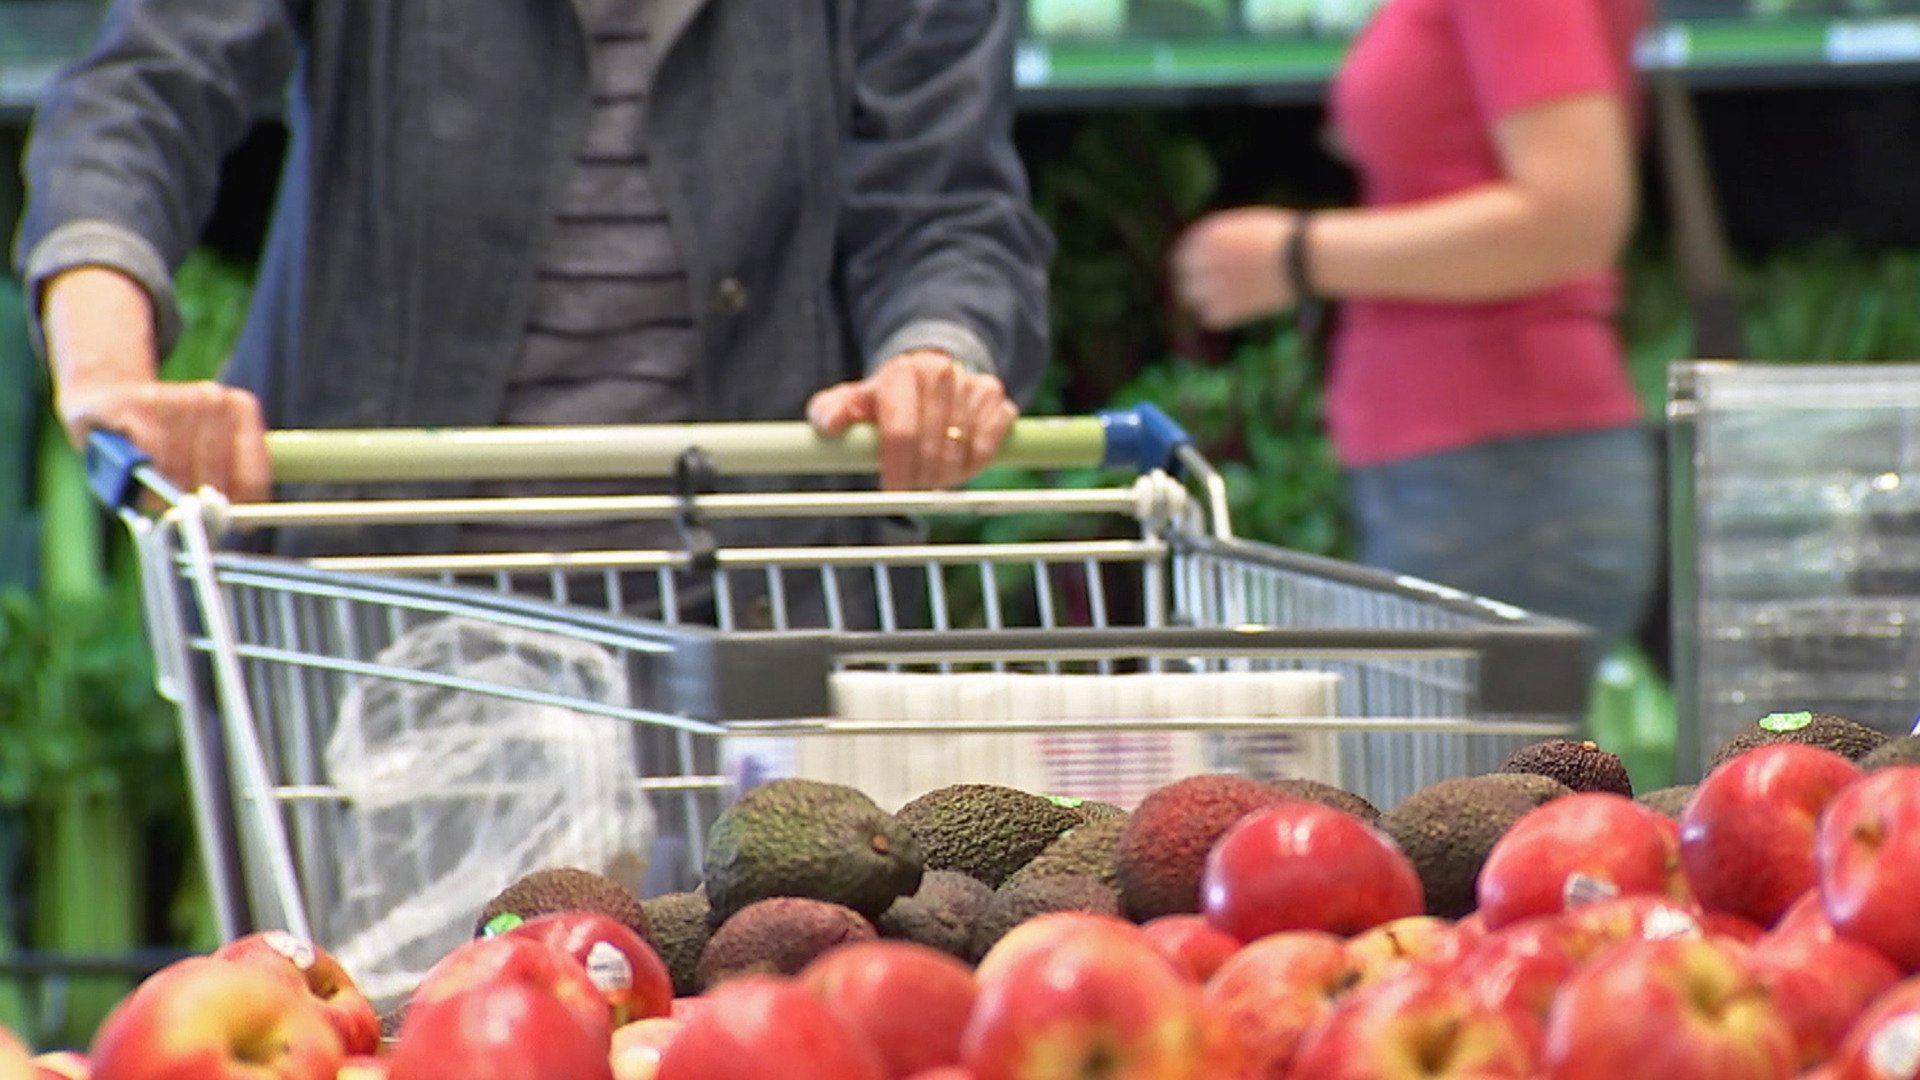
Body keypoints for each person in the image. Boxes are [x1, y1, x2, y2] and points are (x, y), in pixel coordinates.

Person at [14, 0, 1052, 600]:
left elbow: (947, 202)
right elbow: (140, 93)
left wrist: (932, 355)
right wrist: (108, 371)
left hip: (747, 609)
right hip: (381, 615)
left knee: (748, 963)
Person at [1169, 0, 1660, 663]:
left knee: (1474, 765)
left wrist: (1300, 254)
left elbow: (1574, 213)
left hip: (1504, 478)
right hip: (1484, 476)